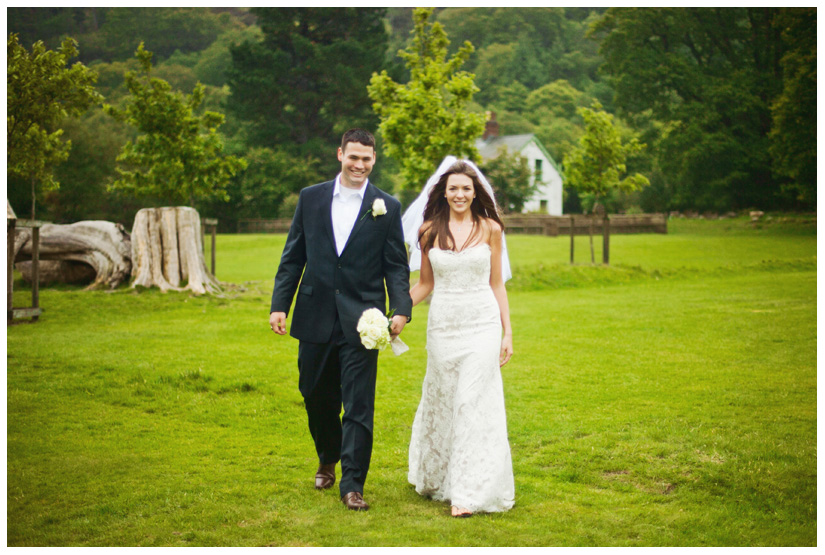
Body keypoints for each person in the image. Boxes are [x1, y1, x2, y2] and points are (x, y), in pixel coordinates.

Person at [269, 129, 412, 511]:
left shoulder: (387, 206)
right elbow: (293, 255)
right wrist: (279, 303)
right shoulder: (311, 198)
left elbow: (396, 266)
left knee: (359, 404)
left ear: (374, 159)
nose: (360, 165)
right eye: (354, 157)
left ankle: (352, 484)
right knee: (315, 395)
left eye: (367, 159)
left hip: (363, 320)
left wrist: (400, 307)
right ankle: (327, 456)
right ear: (340, 154)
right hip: (314, 313)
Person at [404, 157, 515, 517]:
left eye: (466, 188)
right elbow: (425, 284)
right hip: (443, 326)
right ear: (444, 191)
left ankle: (466, 493)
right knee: (445, 400)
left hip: (482, 323)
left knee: (470, 401)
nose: (460, 194)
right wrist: (396, 314)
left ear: (475, 191)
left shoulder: (491, 229)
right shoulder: (428, 231)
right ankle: (436, 476)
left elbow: (496, 283)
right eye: (453, 188)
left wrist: (507, 332)